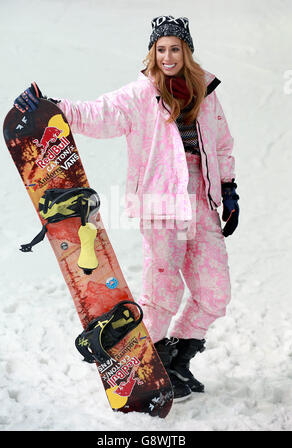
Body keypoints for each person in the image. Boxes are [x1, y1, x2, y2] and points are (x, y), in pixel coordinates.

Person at [14, 15, 239, 402]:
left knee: (214, 291)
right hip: (159, 201)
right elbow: (98, 113)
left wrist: (229, 189)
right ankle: (142, 366)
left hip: (200, 199)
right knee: (163, 290)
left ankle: (175, 359)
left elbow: (221, 144)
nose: (168, 56)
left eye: (175, 48)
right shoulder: (140, 94)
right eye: (161, 49)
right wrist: (51, 106)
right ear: (153, 53)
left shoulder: (205, 92)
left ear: (186, 51)